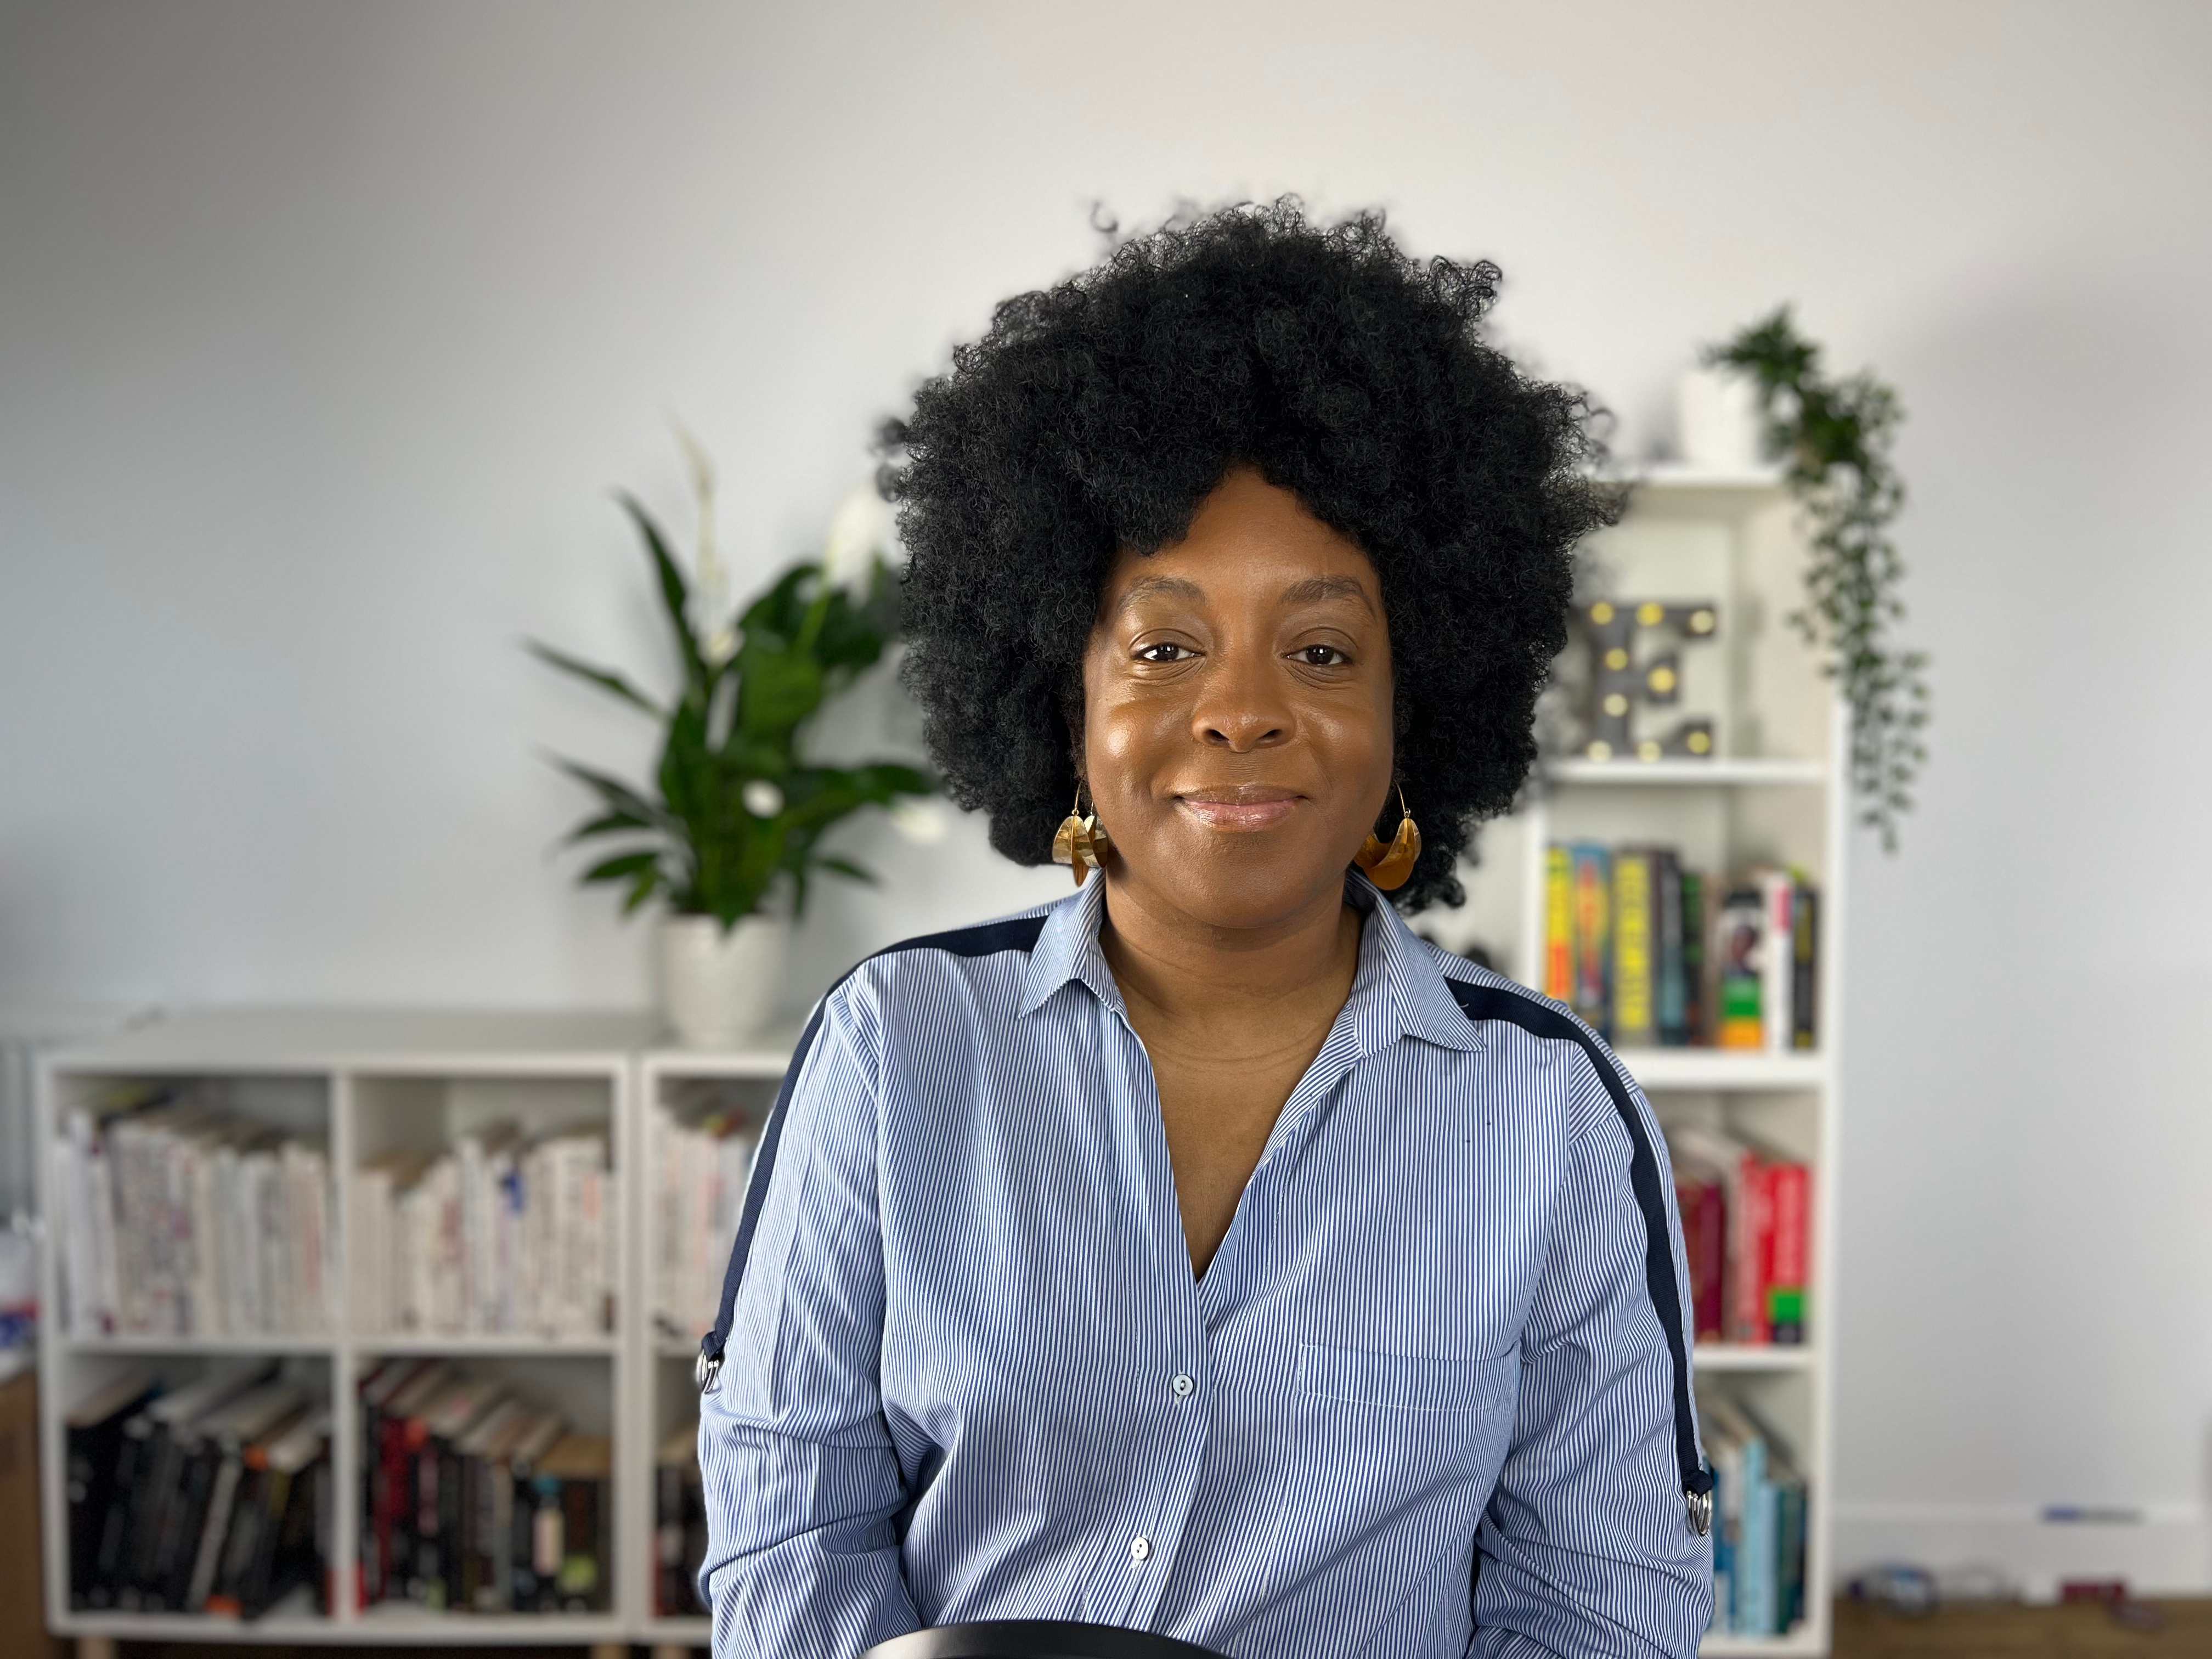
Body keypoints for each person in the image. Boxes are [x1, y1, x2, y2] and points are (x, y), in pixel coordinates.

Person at [694, 193, 1715, 1659]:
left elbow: (1598, 1604)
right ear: (1060, 696)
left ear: (1411, 708)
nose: (1242, 708)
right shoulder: (892, 1048)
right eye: (1165, 646)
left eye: (1320, 649)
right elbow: (794, 1531)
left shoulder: (1546, 1107)